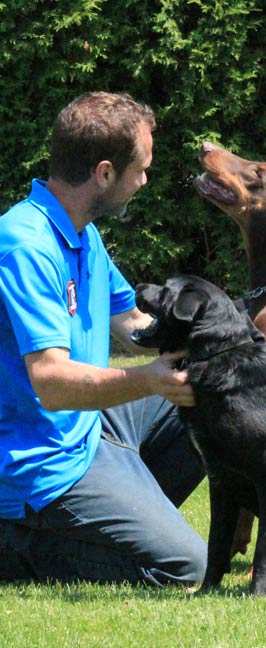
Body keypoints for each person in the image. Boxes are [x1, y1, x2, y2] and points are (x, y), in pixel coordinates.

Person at [0, 91, 207, 586]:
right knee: (183, 568)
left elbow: (135, 325)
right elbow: (51, 382)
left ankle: (126, 507)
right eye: (141, 169)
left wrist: (210, 338)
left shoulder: (80, 231)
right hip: (40, 460)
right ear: (105, 172)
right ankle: (18, 542)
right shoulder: (25, 245)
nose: (145, 180)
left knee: (209, 394)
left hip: (88, 427)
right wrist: (149, 381)